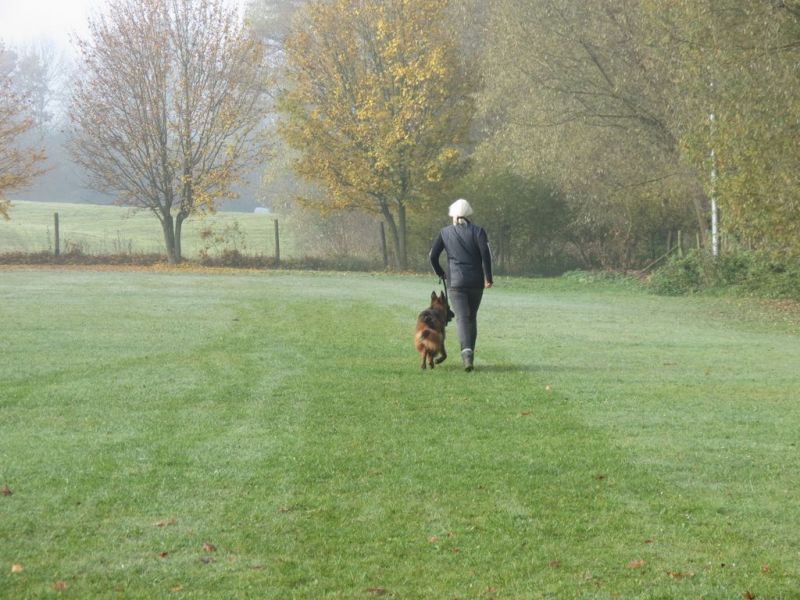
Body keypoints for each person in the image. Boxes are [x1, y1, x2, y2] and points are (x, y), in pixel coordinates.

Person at [429, 198, 493, 372]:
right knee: (472, 317)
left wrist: (440, 272)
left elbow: (433, 256)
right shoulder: (478, 231)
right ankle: (469, 356)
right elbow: (486, 255)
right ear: (468, 214)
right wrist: (488, 278)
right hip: (476, 282)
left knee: (462, 318)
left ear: (453, 215)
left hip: (455, 283)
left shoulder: (445, 232)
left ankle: (466, 355)